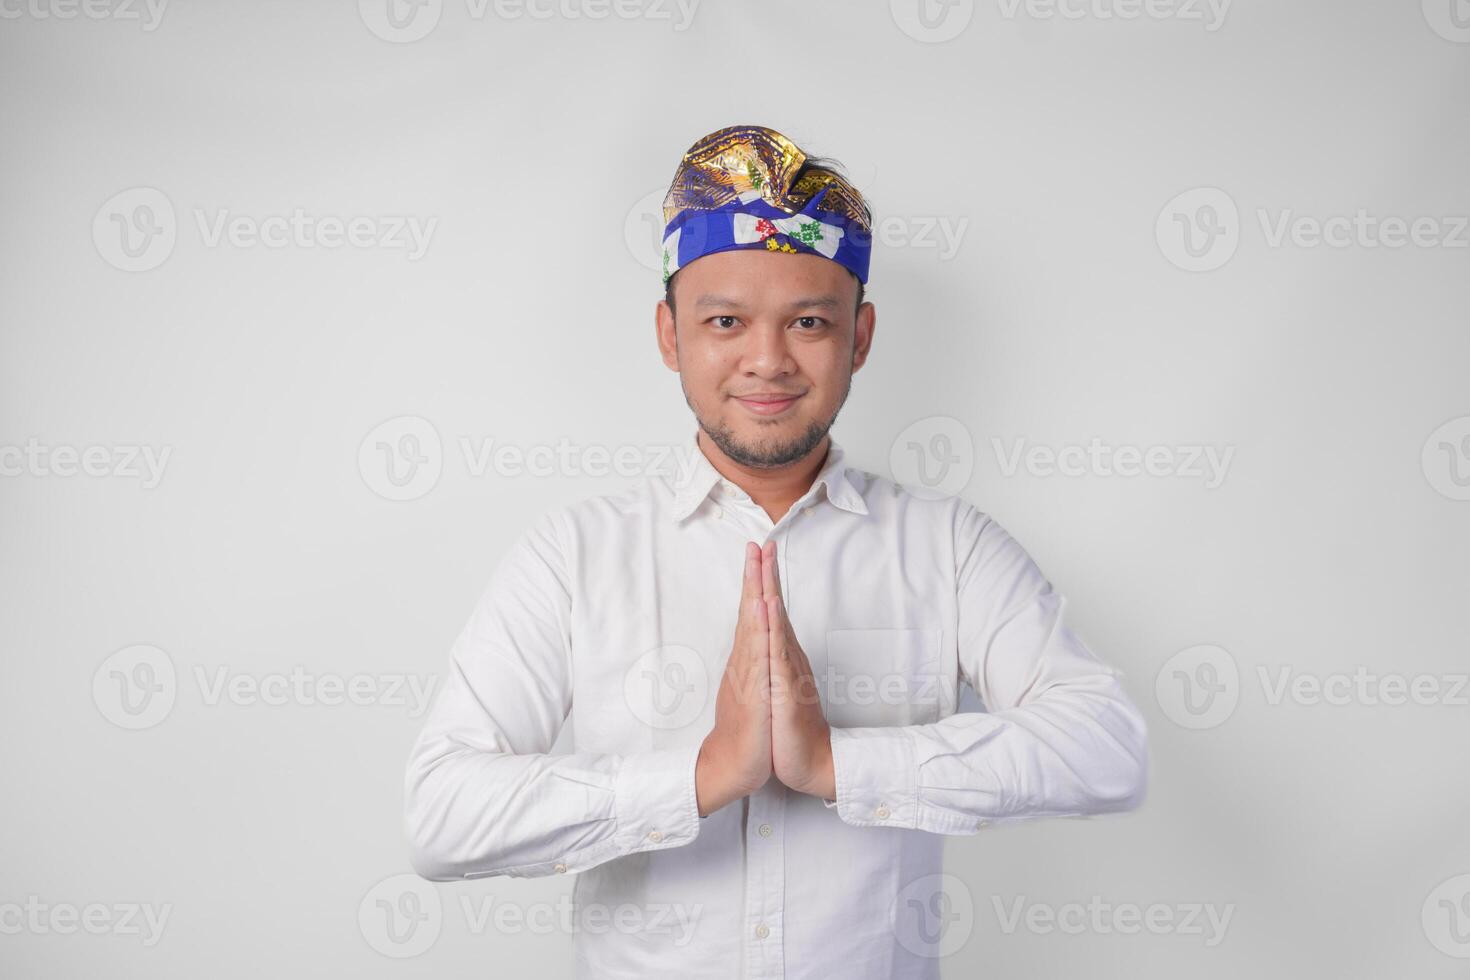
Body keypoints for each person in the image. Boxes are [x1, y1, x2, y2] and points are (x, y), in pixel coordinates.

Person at [403, 123, 1149, 979]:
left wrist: (840, 764)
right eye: (725, 320)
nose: (767, 361)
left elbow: (1108, 747)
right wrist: (703, 774)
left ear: (860, 339)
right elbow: (441, 816)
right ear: (669, 334)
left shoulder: (947, 547)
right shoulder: (573, 554)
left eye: (808, 321)